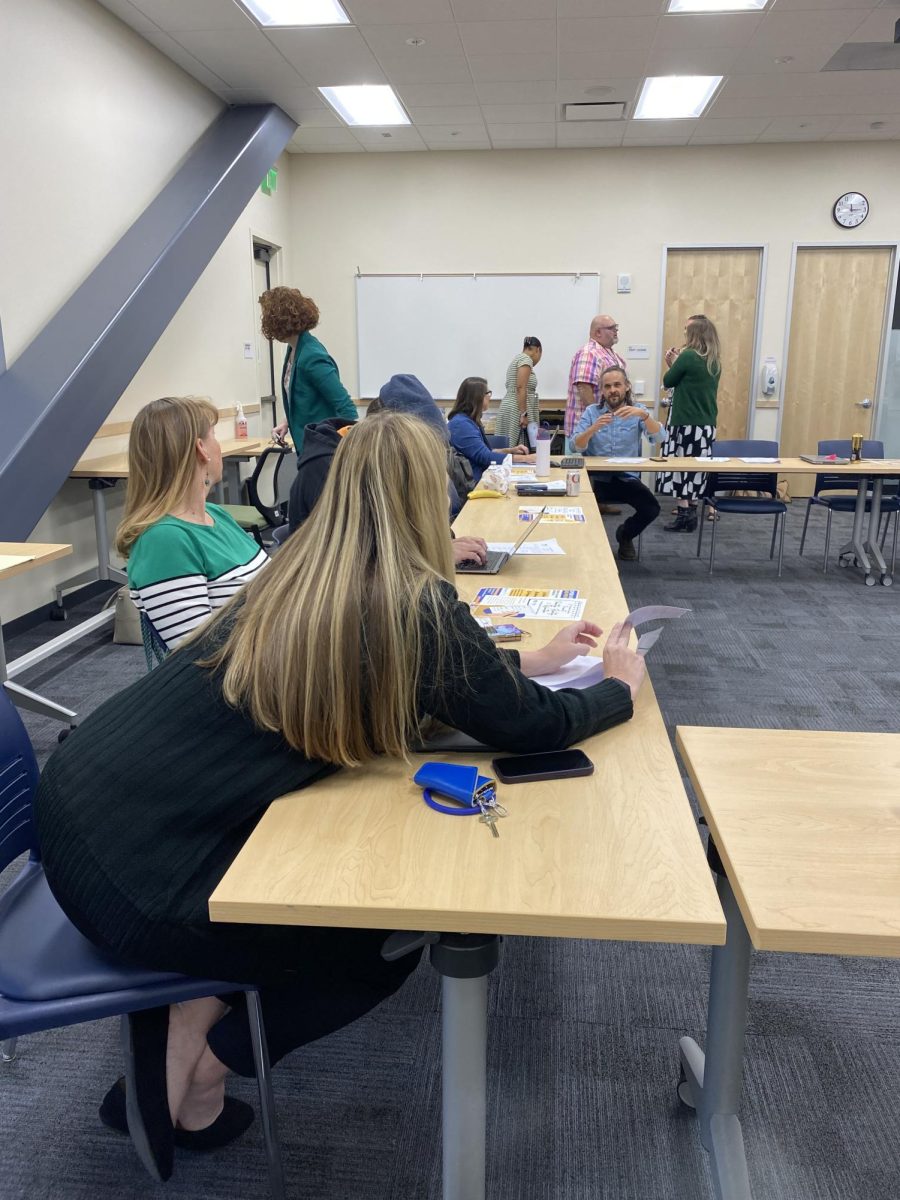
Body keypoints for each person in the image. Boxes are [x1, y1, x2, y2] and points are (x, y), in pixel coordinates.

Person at [35, 413, 645, 1180]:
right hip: (134, 875)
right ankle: (201, 1073)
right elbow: (533, 729)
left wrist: (519, 659)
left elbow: (443, 680)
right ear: (434, 498)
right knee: (380, 932)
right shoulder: (416, 603)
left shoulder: (298, 568)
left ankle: (187, 1025)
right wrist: (617, 690)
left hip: (79, 807)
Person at [289, 374, 491, 568]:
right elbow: (354, 564)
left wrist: (443, 544)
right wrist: (434, 556)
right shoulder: (328, 471)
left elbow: (406, 526)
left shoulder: (375, 460)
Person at [117, 397, 269, 649]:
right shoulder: (163, 540)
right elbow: (197, 657)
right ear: (202, 449)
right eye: (214, 435)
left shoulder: (216, 515)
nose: (219, 445)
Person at [572, 368, 663, 561]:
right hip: (595, 480)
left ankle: (625, 534)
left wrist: (645, 416)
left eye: (617, 385)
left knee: (651, 508)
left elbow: (660, 437)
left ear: (627, 386)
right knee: (575, 509)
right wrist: (592, 429)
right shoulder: (592, 412)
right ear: (602, 391)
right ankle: (584, 549)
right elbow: (575, 446)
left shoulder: (638, 411)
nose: (613, 390)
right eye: (608, 386)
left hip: (625, 478)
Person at [258, 286, 357, 457]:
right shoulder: (294, 350)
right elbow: (302, 397)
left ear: (277, 320)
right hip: (309, 447)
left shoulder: (311, 355)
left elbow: (346, 407)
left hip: (324, 451)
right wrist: (287, 422)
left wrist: (347, 454)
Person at [658, 314, 721, 533]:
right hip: (706, 425)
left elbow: (668, 381)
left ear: (694, 333)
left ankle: (683, 512)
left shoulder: (688, 357)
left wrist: (671, 364)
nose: (684, 333)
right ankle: (693, 509)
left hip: (684, 422)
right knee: (697, 468)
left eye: (686, 330)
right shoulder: (713, 360)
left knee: (679, 465)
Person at [566, 315, 627, 515]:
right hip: (584, 426)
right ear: (597, 332)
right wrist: (597, 416)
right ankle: (583, 509)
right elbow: (584, 387)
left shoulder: (610, 354)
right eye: (612, 328)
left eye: (616, 327)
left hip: (603, 426)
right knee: (581, 473)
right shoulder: (589, 353)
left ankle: (597, 504)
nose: (616, 331)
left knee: (598, 470)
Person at [447, 376, 533, 485]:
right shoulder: (460, 425)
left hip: (483, 479)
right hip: (474, 484)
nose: (489, 397)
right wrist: (526, 458)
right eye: (487, 393)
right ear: (477, 397)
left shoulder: (469, 421)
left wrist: (511, 450)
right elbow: (486, 457)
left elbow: (486, 452)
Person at [495, 337, 542, 449]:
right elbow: (521, 387)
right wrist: (523, 414)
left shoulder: (517, 359)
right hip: (517, 409)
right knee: (519, 448)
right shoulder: (526, 360)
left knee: (508, 448)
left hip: (510, 406)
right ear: (538, 350)